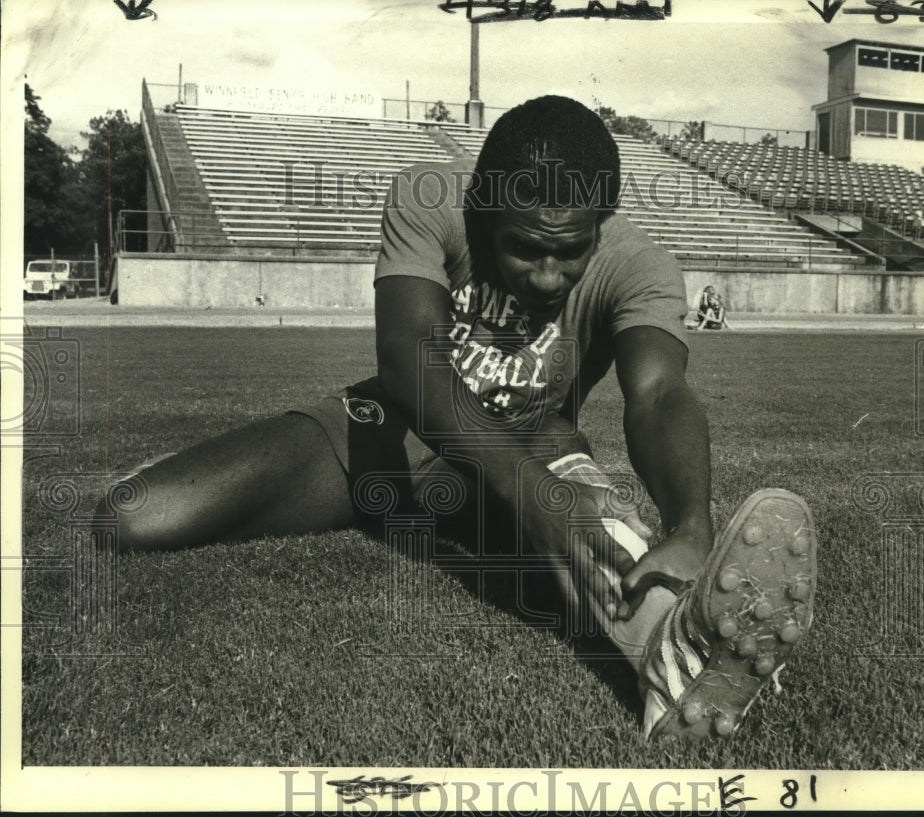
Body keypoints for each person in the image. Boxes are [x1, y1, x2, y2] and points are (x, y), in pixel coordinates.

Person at [96, 96, 816, 740]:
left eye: (568, 253)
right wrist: (529, 494)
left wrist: (690, 523)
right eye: (525, 247)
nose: (545, 275)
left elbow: (659, 391)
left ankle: (677, 650)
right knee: (132, 516)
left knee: (596, 533)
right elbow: (411, 358)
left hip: (536, 446)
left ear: (600, 228)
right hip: (391, 433)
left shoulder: (641, 263)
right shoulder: (428, 197)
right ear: (483, 206)